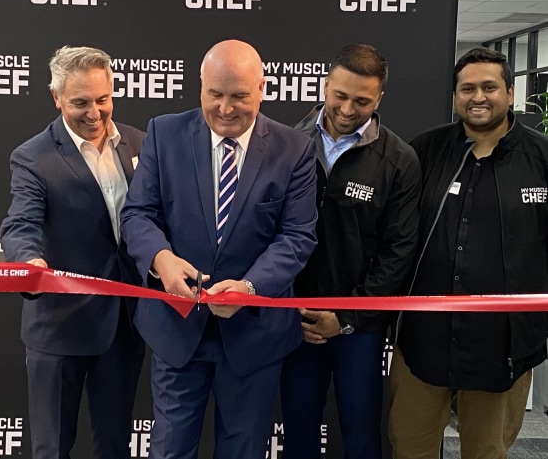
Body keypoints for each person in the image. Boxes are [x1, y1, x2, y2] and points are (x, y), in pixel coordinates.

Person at [120, 39, 317, 459]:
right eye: (215, 94)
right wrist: (162, 260)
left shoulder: (295, 149)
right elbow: (137, 214)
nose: (226, 108)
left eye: (239, 96)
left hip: (255, 333)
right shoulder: (164, 132)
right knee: (170, 449)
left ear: (262, 89)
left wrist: (250, 286)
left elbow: (298, 236)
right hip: (176, 327)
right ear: (200, 87)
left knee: (243, 449)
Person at [388, 47, 548, 459]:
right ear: (456, 96)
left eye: (489, 87)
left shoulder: (541, 158)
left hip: (504, 347)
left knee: (486, 451)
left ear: (510, 93)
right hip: (424, 340)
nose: (478, 97)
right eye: (467, 88)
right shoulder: (423, 151)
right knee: (409, 446)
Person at [0, 45, 145, 459]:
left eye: (103, 99)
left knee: (114, 447)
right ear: (57, 98)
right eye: (81, 102)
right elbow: (19, 224)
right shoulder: (33, 158)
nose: (96, 113)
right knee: (52, 448)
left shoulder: (140, 143)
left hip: (125, 326)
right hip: (59, 326)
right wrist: (29, 265)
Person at [279, 44, 422, 458]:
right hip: (297, 319)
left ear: (379, 98)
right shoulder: (289, 143)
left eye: (361, 100)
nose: (346, 108)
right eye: (339, 95)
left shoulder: (399, 160)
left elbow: (400, 252)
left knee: (361, 436)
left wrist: (345, 317)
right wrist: (291, 308)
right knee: (298, 432)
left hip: (360, 326)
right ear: (325, 85)